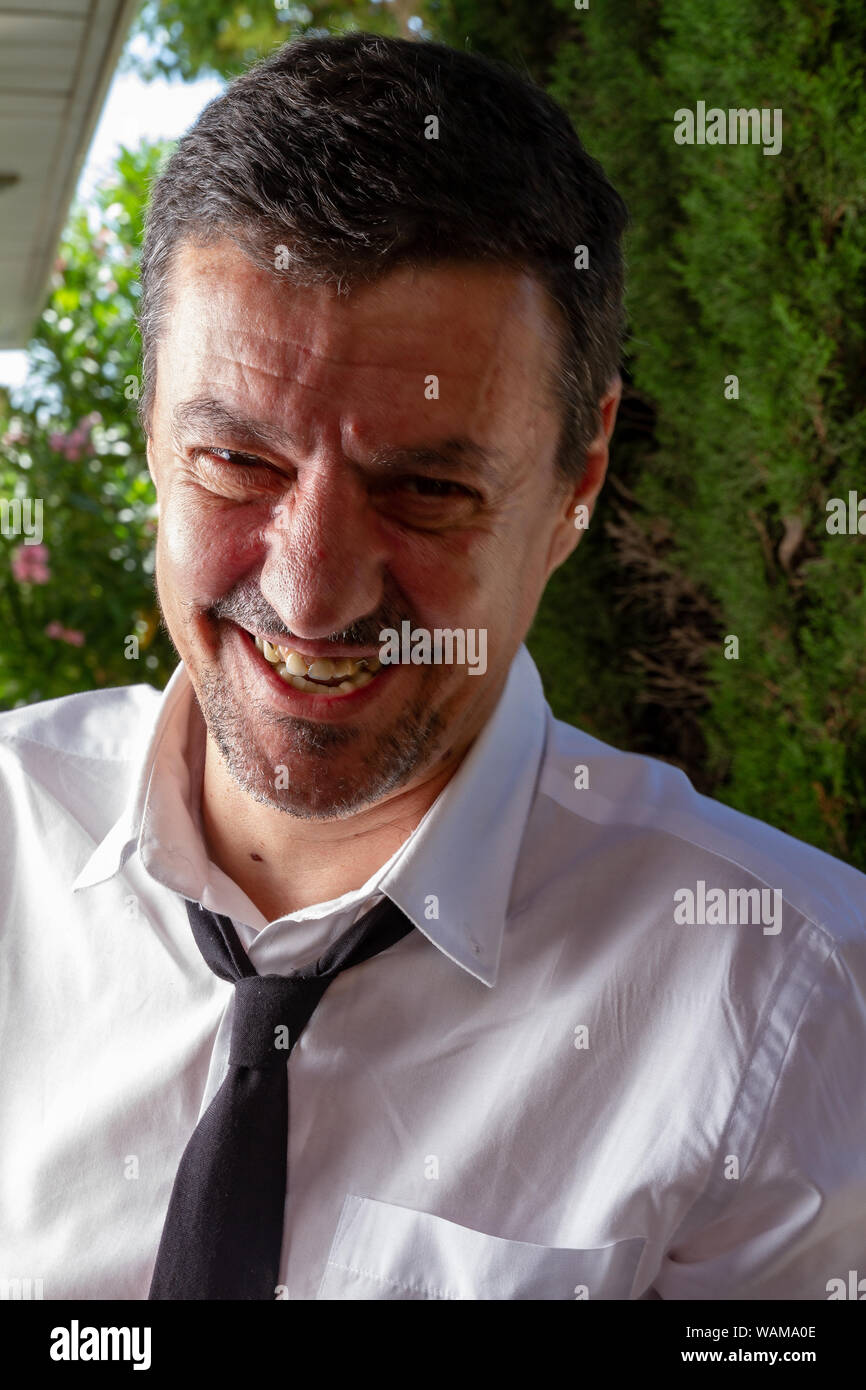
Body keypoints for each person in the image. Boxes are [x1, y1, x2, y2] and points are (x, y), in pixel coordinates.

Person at [1, 31, 864, 1302]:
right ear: (147, 429)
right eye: (237, 463)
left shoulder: (791, 1006)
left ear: (577, 479)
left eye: (425, 488)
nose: (309, 592)